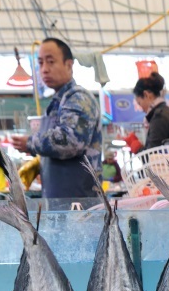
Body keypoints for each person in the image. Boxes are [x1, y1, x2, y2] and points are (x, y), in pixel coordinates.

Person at [10, 38, 102, 198]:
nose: (44, 69)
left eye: (51, 62)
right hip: (60, 202)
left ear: (69, 65)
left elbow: (72, 141)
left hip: (80, 206)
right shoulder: (56, 105)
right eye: (40, 63)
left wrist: (31, 143)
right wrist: (40, 164)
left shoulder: (78, 98)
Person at [134, 72, 169, 149]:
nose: (142, 109)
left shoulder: (159, 117)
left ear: (146, 95)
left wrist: (134, 144)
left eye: (139, 103)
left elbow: (151, 155)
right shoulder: (166, 111)